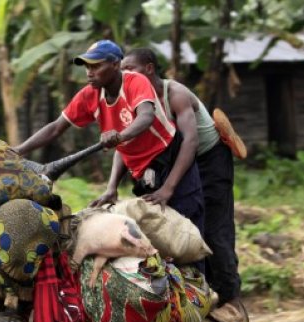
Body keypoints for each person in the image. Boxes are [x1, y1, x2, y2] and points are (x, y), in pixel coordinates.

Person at [15, 40, 205, 244]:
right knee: (159, 240)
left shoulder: (135, 81)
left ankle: (200, 275)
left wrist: (168, 188)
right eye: (87, 67)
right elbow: (55, 127)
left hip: (170, 160)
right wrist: (18, 150)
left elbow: (146, 116)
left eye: (96, 66)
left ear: (115, 64)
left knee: (187, 236)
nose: (89, 72)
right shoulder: (89, 95)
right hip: (143, 175)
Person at [120, 48, 246, 320]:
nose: (125, 75)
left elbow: (191, 141)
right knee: (177, 231)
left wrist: (168, 189)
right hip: (174, 162)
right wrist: (111, 187)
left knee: (213, 231)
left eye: (130, 69)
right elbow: (124, 143)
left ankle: (232, 300)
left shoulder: (174, 93)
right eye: (121, 70)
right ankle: (196, 294)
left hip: (207, 160)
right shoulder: (133, 101)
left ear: (150, 69)